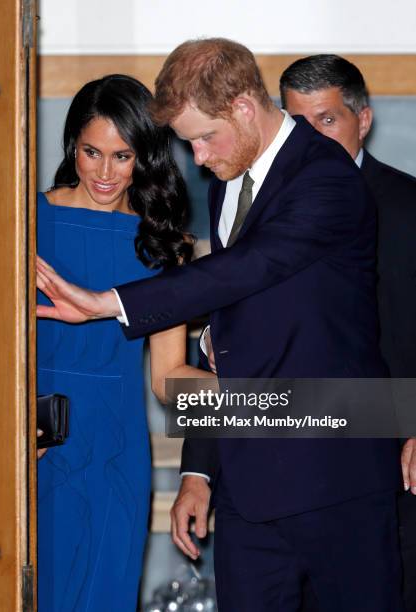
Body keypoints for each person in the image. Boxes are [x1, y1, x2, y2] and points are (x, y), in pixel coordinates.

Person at [36, 39, 405, 611]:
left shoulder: (327, 175)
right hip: (248, 489)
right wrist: (199, 473)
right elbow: (227, 347)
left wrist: (109, 302)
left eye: (204, 137)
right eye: (188, 143)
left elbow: (240, 272)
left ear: (242, 106)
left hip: (337, 475)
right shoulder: (226, 180)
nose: (198, 156)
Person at [0, 73, 214, 612]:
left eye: (123, 156)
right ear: (73, 144)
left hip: (116, 454)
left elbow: (166, 378)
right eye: (93, 152)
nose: (105, 172)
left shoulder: (165, 245)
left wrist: (261, 395)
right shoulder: (22, 221)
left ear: (145, 156)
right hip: (30, 450)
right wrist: (9, 427)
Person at [279, 53, 416, 612]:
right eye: (298, 124)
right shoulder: (259, 213)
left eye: (326, 120)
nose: (310, 139)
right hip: (290, 463)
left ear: (364, 119)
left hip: (397, 460)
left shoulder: (410, 206)